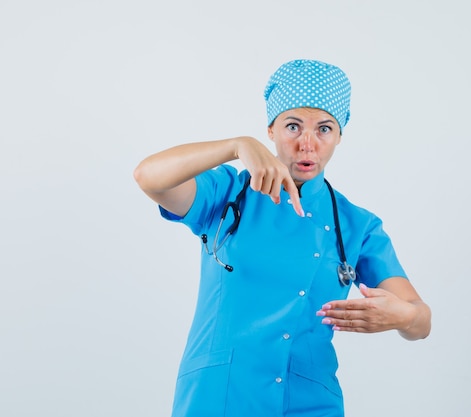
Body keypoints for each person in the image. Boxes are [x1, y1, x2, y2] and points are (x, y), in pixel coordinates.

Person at [134, 59, 431, 417]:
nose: (307, 143)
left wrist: (401, 317)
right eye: (293, 126)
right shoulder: (227, 192)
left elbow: (420, 320)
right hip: (220, 397)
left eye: (324, 129)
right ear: (271, 130)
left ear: (339, 136)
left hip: (310, 402)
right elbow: (149, 176)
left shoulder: (357, 225)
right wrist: (236, 145)